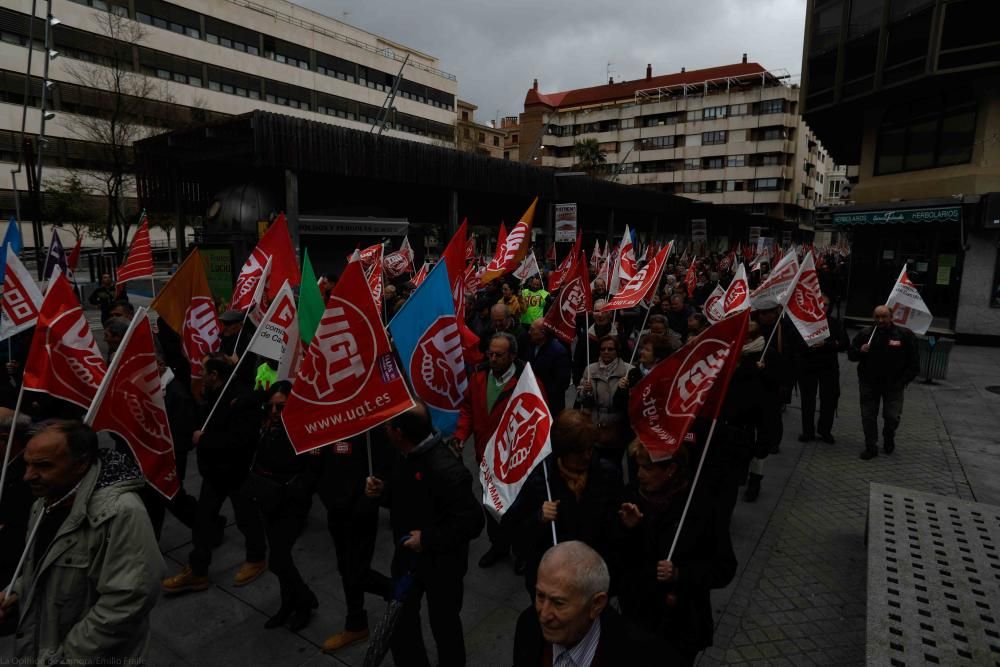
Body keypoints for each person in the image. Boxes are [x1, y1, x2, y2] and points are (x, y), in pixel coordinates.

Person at [0, 421, 164, 662]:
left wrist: (69, 656)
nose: (28, 476)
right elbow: (41, 568)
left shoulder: (121, 512)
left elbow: (129, 599)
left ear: (81, 464)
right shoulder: (43, 502)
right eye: (28, 463)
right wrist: (15, 593)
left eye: (43, 466)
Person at [367, 402, 484, 667]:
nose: (384, 427)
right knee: (401, 623)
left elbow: (473, 522)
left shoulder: (447, 471)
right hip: (407, 559)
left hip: (442, 566)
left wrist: (427, 539)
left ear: (399, 433)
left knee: (445, 626)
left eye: (388, 424)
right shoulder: (403, 454)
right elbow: (403, 497)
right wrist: (382, 492)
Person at [618, 441, 737, 665]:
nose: (640, 474)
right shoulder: (631, 496)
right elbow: (618, 559)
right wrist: (629, 530)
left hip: (681, 626)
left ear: (671, 470)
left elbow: (724, 567)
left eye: (648, 468)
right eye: (638, 467)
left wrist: (681, 574)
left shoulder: (700, 505)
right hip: (638, 618)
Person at [162, 355, 267, 594]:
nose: (200, 375)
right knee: (203, 521)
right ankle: (198, 571)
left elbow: (242, 440)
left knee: (246, 518)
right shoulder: (214, 393)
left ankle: (256, 558)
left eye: (203, 371)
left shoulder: (241, 399)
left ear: (215, 375)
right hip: (214, 472)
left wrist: (205, 439)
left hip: (235, 471)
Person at [504, 411, 623, 597]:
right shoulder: (541, 481)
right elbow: (516, 535)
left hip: (592, 580)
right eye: (579, 452)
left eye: (589, 449)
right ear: (562, 452)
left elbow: (614, 533)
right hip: (554, 581)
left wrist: (626, 523)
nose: (587, 456)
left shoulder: (608, 474)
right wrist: (539, 519)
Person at [512, 541, 669, 667]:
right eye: (540, 596)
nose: (544, 615)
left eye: (558, 603)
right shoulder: (528, 625)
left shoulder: (642, 656)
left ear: (596, 604)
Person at [245, 382, 321, 631]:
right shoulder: (266, 426)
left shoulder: (303, 430)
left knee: (278, 560)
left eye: (281, 406)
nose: (275, 411)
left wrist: (295, 491)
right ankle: (288, 604)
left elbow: (312, 472)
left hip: (290, 505)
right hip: (268, 500)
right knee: (280, 555)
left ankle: (304, 599)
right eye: (271, 406)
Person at [453, 332, 525, 568]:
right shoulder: (479, 377)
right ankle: (499, 546)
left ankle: (520, 549)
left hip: (514, 460)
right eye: (490, 353)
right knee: (491, 505)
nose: (492, 358)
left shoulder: (525, 382)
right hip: (485, 457)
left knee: (517, 507)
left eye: (499, 355)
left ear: (512, 356)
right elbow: (468, 409)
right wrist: (461, 435)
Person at [848, 305, 920, 459]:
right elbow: (851, 355)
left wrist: (902, 381)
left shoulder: (904, 335)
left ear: (891, 317)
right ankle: (870, 446)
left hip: (894, 385)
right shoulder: (866, 334)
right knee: (868, 415)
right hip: (869, 383)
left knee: (892, 416)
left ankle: (888, 436)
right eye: (877, 317)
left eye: (884, 317)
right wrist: (860, 351)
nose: (881, 320)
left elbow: (914, 364)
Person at [797, 294, 850, 443]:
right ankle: (808, 432)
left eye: (825, 305)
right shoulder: (805, 323)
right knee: (808, 401)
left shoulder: (835, 323)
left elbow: (845, 343)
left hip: (828, 367)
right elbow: (797, 345)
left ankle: (824, 430)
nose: (822, 307)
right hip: (808, 366)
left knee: (829, 399)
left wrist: (827, 345)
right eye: (819, 304)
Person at [578, 335, 632, 471]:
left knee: (614, 467)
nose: (606, 352)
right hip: (594, 425)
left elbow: (633, 402)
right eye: (603, 349)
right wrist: (585, 390)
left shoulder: (628, 370)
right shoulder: (590, 369)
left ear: (617, 351)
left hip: (617, 427)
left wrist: (624, 390)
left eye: (610, 349)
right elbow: (580, 398)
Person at [520, 319, 571, 416]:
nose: (529, 332)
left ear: (542, 333)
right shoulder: (530, 345)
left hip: (550, 404)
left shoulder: (559, 352)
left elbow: (562, 382)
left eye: (532, 330)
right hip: (531, 400)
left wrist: (541, 392)